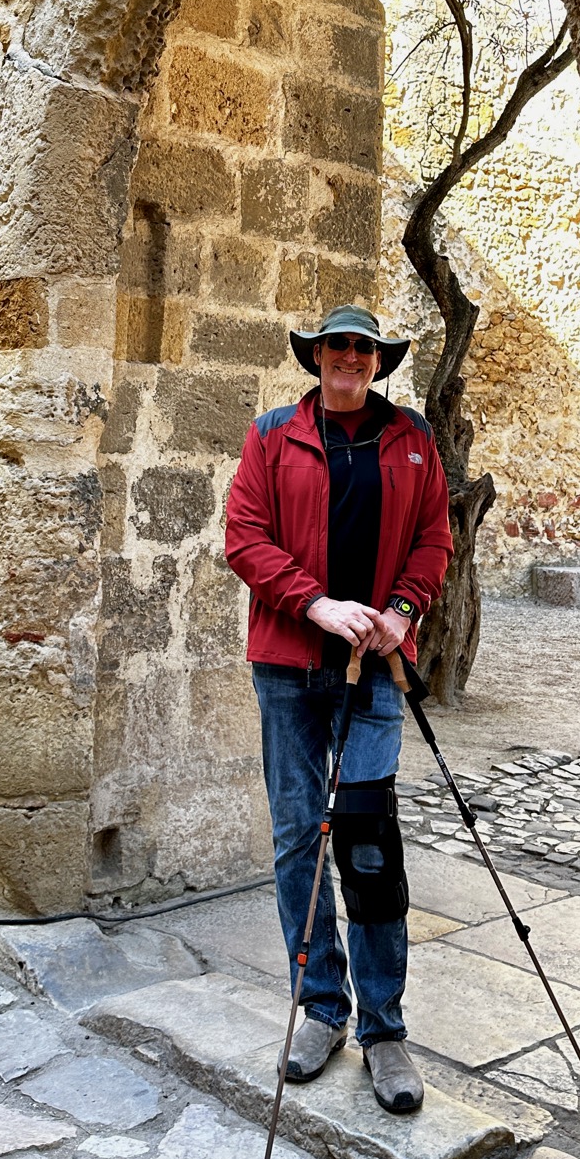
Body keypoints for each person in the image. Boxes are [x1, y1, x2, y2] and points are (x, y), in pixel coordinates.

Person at [224, 304, 453, 1113]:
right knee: (296, 839)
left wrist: (400, 610)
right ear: (316, 358)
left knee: (368, 842)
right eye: (335, 347)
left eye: (363, 348)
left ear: (379, 361)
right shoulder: (270, 434)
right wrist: (314, 603)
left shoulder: (415, 440)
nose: (349, 358)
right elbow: (244, 539)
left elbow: (434, 538)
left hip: (376, 669)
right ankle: (321, 1008)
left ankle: (384, 1030)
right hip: (289, 666)